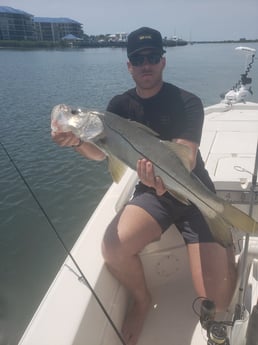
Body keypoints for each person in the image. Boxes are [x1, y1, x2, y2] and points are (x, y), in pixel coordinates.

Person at [51, 27, 237, 345]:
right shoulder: (118, 107)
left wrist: (166, 178)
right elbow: (99, 153)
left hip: (191, 189)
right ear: (129, 66)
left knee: (216, 302)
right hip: (152, 191)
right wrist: (75, 142)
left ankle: (224, 240)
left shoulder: (187, 102)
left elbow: (187, 157)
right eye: (138, 59)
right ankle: (141, 300)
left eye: (152, 57)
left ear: (163, 61)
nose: (145, 64)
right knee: (112, 248)